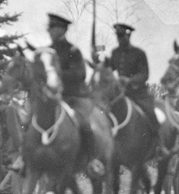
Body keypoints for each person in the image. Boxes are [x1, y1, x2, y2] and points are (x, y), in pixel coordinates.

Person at [48, 12, 99, 162]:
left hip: (74, 96)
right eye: (49, 28)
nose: (49, 31)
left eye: (53, 28)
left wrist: (57, 74)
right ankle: (26, 159)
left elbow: (80, 74)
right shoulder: (47, 51)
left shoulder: (73, 51)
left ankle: (91, 160)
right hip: (54, 97)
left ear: (62, 30)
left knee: (83, 124)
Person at [109, 22, 162, 136]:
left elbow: (144, 74)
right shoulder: (115, 53)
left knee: (150, 114)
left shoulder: (139, 53)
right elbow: (109, 68)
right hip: (121, 94)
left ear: (128, 36)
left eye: (122, 36)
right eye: (118, 36)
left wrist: (129, 80)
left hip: (138, 94)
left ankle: (160, 145)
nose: (120, 39)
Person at [3, 87, 28, 194]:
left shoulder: (22, 106)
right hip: (17, 144)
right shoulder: (11, 107)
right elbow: (14, 128)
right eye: (19, 91)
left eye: (23, 91)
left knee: (24, 170)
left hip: (26, 142)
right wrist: (20, 145)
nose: (22, 93)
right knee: (17, 171)